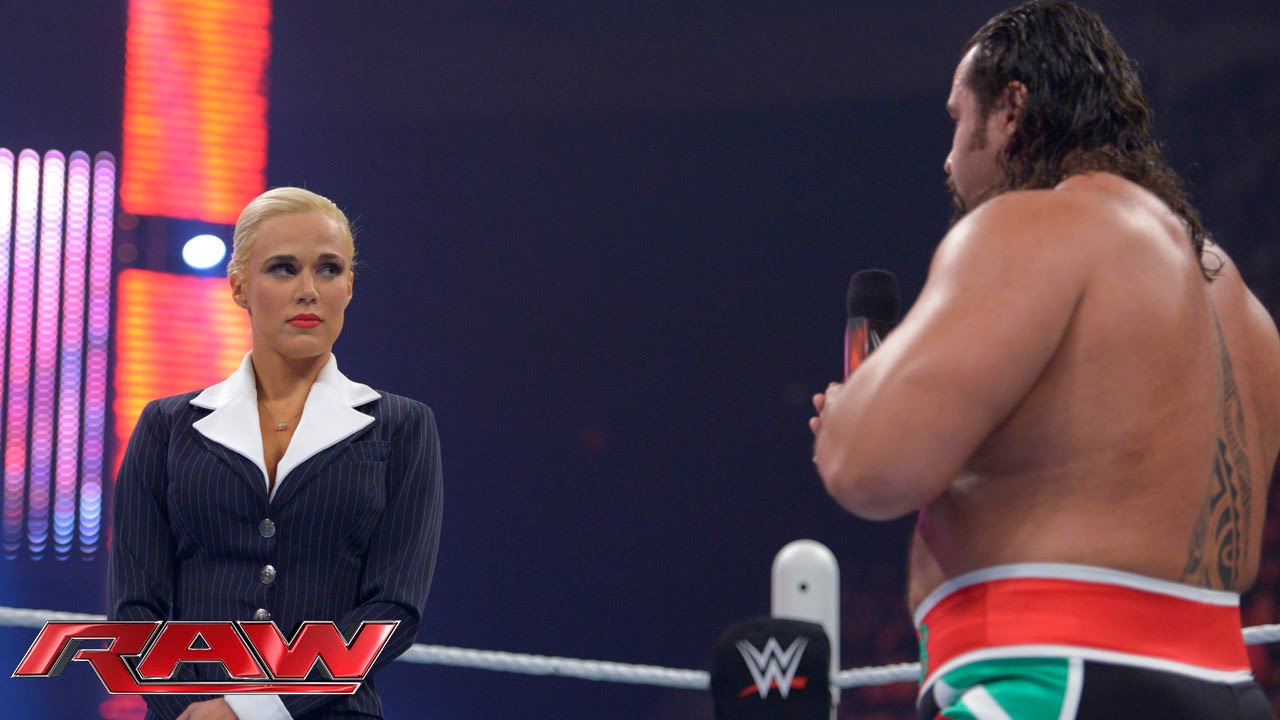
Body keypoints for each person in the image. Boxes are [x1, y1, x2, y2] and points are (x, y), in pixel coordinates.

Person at [808, 2, 1280, 718]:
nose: (948, 157)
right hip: (1227, 688)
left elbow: (867, 471)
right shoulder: (1241, 306)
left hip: (1054, 679)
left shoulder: (1036, 222)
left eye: (957, 119)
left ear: (1011, 110)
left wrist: (851, 416)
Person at [108, 187, 443, 720]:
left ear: (349, 286)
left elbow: (393, 610)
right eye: (283, 269)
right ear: (239, 285)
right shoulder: (167, 426)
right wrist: (187, 708)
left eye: (329, 269)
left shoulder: (402, 427)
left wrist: (254, 710)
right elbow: (134, 606)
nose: (308, 291)